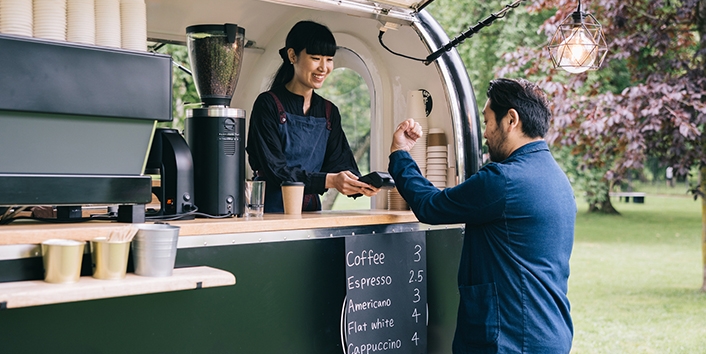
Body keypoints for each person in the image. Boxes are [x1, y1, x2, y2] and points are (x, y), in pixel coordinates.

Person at [388, 78, 576, 353]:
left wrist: (401, 153)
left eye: (487, 121)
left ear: (511, 119)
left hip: (509, 340)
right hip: (549, 333)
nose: (485, 133)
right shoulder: (558, 179)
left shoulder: (503, 179)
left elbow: (430, 205)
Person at [246, 20, 379, 213]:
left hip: (311, 212)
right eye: (315, 58)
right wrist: (331, 180)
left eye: (329, 59)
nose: (323, 67)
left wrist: (359, 185)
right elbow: (277, 171)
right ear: (292, 55)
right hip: (269, 211)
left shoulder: (329, 111)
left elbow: (340, 164)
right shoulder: (267, 104)